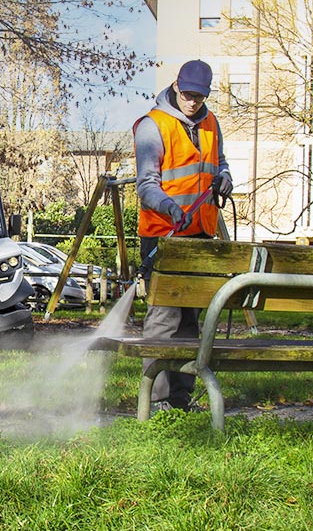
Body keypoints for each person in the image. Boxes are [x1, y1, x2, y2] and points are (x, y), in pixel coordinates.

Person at [133, 59, 234, 413]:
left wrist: (224, 177)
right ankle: (157, 400)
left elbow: (219, 163)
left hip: (201, 234)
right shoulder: (152, 126)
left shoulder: (211, 123)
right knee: (164, 320)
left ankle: (181, 398)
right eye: (188, 94)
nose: (193, 101)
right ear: (176, 86)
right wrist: (169, 206)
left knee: (190, 320)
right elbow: (145, 186)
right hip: (164, 236)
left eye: (200, 96)